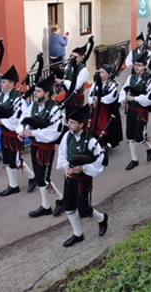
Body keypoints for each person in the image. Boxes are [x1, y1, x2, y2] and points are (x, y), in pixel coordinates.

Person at [56, 106, 108, 247]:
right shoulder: (67, 136)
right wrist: (66, 168)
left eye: (72, 123)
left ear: (81, 125)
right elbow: (62, 154)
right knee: (69, 206)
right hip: (69, 177)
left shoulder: (91, 141)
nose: (69, 125)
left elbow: (100, 162)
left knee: (84, 209)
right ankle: (77, 234)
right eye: (69, 122)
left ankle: (102, 218)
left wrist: (83, 168)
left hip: (83, 180)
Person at [18, 75, 65, 217]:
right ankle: (45, 206)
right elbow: (24, 119)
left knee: (44, 178)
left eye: (38, 91)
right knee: (39, 177)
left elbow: (54, 133)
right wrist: (22, 132)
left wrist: (33, 132)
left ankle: (61, 199)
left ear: (47, 94)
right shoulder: (32, 106)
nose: (35, 94)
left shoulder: (55, 110)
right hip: (35, 145)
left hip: (46, 148)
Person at [0, 66, 27, 197]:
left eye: (4, 81)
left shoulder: (19, 99)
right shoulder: (1, 96)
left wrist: (2, 122)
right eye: (1, 82)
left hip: (13, 134)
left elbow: (17, 118)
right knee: (8, 160)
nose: (1, 84)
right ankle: (13, 185)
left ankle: (32, 177)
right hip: (4, 134)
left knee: (16, 161)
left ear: (12, 83)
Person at [119, 51, 151, 170]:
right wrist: (123, 99)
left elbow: (150, 99)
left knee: (139, 137)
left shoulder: (150, 80)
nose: (137, 67)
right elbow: (124, 90)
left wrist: (135, 98)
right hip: (131, 109)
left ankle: (149, 147)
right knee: (130, 135)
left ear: (145, 66)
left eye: (139, 65)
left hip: (141, 111)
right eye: (135, 65)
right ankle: (134, 159)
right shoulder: (131, 77)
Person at [88, 64, 123, 149]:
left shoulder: (113, 84)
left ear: (108, 74)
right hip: (96, 109)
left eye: (102, 72)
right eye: (99, 72)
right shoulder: (96, 83)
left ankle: (105, 143)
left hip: (107, 109)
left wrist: (100, 100)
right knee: (94, 125)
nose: (100, 73)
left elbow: (111, 97)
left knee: (105, 126)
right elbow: (90, 94)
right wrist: (92, 101)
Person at [57, 41, 91, 118]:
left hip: (77, 98)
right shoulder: (68, 67)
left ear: (81, 58)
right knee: (67, 116)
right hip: (67, 95)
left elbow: (76, 86)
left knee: (75, 117)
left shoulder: (83, 70)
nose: (72, 58)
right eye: (71, 55)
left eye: (75, 56)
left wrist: (63, 81)